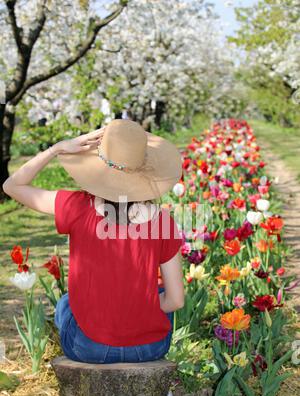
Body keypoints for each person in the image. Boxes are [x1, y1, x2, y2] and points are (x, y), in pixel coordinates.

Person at [3, 118, 185, 364]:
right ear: (143, 171)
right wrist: (145, 307)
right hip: (150, 348)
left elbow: (12, 186)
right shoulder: (164, 222)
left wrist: (55, 149)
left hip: (89, 347)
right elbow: (176, 300)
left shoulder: (77, 207)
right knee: (159, 290)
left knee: (66, 303)